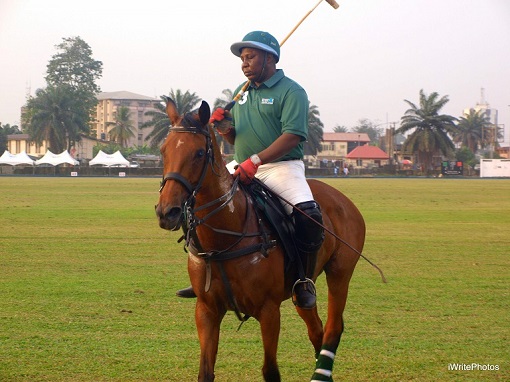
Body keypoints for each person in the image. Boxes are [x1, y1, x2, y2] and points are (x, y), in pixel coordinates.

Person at [176, 31, 324, 309]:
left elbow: (293, 135)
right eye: (242, 59)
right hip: (242, 164)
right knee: (196, 203)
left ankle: (302, 280)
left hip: (281, 167)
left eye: (250, 57)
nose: (244, 63)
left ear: (270, 58)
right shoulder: (240, 93)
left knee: (308, 216)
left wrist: (255, 161)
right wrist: (223, 128)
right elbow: (236, 139)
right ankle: (204, 272)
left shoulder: (292, 91)